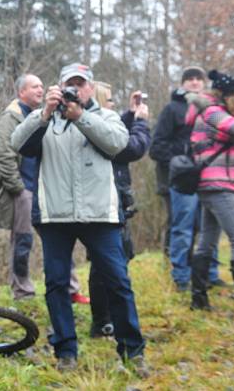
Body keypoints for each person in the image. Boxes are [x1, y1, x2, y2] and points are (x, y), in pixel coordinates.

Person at [11, 63, 147, 376]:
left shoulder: (106, 116)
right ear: (58, 88)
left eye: (81, 84)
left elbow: (117, 144)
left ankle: (133, 351)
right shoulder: (44, 119)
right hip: (55, 216)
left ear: (90, 88)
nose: (76, 90)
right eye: (69, 84)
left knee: (119, 282)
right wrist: (44, 112)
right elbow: (17, 143)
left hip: (100, 215)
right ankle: (66, 351)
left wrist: (81, 116)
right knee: (57, 285)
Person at [0, 74, 88, 303]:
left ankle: (71, 290)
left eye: (42, 85)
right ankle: (23, 292)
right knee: (23, 243)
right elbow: (3, 155)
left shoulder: (47, 114)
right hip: (25, 190)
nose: (40, 90)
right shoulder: (11, 116)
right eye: (35, 87)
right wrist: (19, 189)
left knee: (61, 239)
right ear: (21, 92)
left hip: (47, 188)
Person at [149, 66, 222, 291]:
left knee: (211, 225)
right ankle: (181, 276)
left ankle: (210, 274)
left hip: (211, 173)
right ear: (183, 83)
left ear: (204, 83)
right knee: (183, 227)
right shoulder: (172, 109)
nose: (194, 82)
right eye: (189, 79)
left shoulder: (213, 108)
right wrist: (182, 158)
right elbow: (156, 147)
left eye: (198, 79)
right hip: (184, 178)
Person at [88, 83, 150, 338]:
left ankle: (107, 319)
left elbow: (117, 131)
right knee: (106, 264)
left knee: (116, 259)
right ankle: (103, 322)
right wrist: (141, 123)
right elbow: (130, 146)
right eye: (111, 101)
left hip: (114, 202)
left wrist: (130, 113)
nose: (114, 105)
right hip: (106, 205)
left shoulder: (100, 126)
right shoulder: (95, 129)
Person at [185, 70, 234, 310]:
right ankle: (198, 297)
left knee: (207, 241)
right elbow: (233, 128)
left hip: (217, 184)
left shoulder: (216, 109)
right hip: (217, 185)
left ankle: (199, 299)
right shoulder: (212, 111)